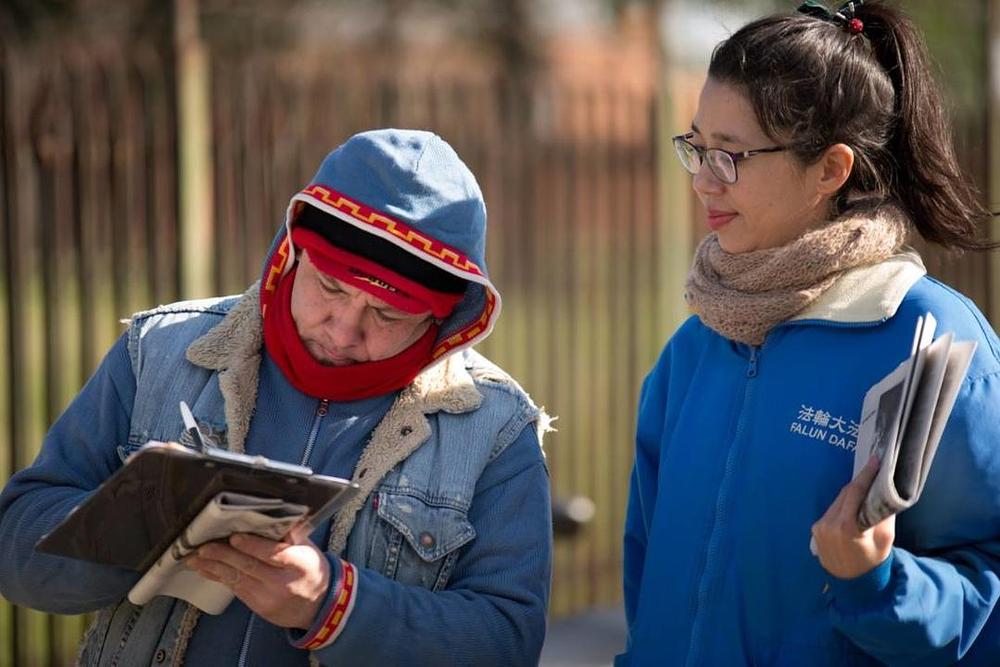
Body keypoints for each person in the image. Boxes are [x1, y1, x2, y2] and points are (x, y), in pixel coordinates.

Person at [0, 129, 553, 666]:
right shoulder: (158, 352)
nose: (341, 331)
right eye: (330, 287)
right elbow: (15, 549)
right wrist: (141, 522)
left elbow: (506, 640)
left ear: (448, 317)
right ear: (291, 253)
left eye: (388, 315)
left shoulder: (495, 427)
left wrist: (331, 604)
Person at [618, 2, 1000, 665]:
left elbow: (986, 597)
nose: (704, 180)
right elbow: (647, 575)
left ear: (830, 169)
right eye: (698, 147)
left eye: (732, 156)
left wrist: (875, 580)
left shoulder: (928, 339)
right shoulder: (695, 345)